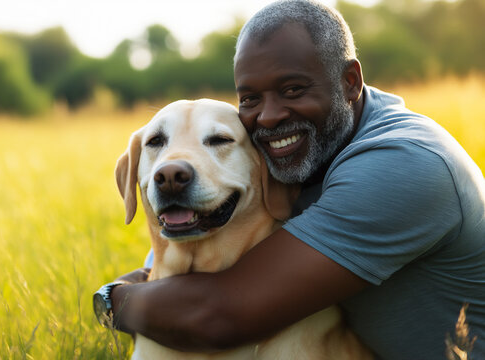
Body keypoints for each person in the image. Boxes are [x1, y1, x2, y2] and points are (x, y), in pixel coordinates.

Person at [94, 1, 485, 359]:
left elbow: (220, 316)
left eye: (293, 89)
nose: (267, 117)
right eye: (249, 98)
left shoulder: (404, 164)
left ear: (350, 81)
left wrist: (111, 300)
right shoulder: (299, 155)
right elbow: (172, 270)